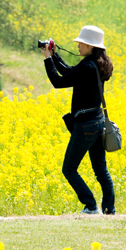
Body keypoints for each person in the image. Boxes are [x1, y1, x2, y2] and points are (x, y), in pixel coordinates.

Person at [40, 25, 115, 215]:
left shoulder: (88, 66)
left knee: (69, 169)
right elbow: (69, 72)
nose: (78, 45)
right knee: (101, 171)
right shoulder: (97, 63)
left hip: (86, 126)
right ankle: (109, 210)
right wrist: (54, 55)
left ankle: (91, 205)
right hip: (97, 122)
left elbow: (58, 81)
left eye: (81, 43)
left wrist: (47, 59)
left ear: (91, 46)